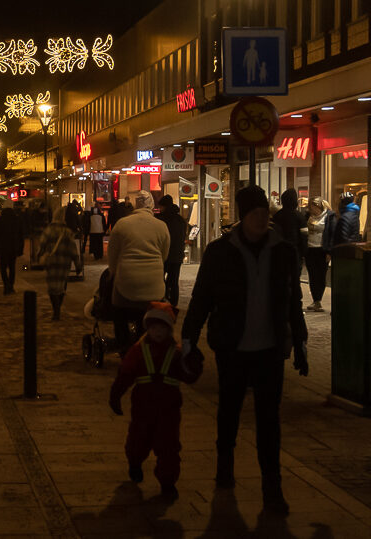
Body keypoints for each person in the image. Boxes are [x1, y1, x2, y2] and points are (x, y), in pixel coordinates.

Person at [181, 184, 309, 515]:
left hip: (269, 348)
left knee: (269, 419)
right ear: (243, 216)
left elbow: (292, 298)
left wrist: (301, 341)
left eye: (265, 212)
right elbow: (202, 297)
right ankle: (225, 467)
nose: (262, 218)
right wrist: (188, 337)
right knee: (229, 410)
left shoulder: (283, 250)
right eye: (256, 213)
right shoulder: (219, 251)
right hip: (232, 346)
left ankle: (273, 485)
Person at [109, 302, 203, 502]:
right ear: (147, 328)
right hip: (143, 407)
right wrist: (116, 394)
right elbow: (126, 373)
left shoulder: (177, 352)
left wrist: (194, 361)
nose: (158, 332)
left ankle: (168, 482)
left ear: (169, 329)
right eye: (153, 327)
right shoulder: (137, 351)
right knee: (138, 439)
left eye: (162, 328)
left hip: (169, 410)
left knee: (169, 446)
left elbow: (189, 375)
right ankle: (135, 463)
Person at [108, 190, 170, 354]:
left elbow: (112, 256)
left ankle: (123, 344)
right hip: (154, 288)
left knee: (118, 309)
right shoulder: (161, 226)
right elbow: (164, 255)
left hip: (127, 284)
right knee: (147, 312)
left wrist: (113, 272)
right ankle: (145, 344)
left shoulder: (122, 224)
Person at [37, 208, 82, 320]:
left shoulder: (49, 230)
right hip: (64, 263)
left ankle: (56, 311)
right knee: (62, 286)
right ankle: (58, 308)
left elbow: (42, 245)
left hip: (52, 262)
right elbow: (73, 250)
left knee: (52, 287)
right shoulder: (67, 232)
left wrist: (39, 256)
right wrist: (77, 264)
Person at [157, 195, 187, 306]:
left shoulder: (160, 219)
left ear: (164, 206)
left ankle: (163, 301)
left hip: (163, 255)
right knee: (174, 282)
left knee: (160, 279)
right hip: (177, 255)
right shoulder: (180, 220)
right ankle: (173, 306)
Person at [0, 198, 24, 295]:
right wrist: (20, 248)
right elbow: (20, 235)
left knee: (3, 268)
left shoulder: (0, 220)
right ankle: (11, 285)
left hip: (3, 247)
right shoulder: (16, 219)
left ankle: (6, 285)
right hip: (13, 247)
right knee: (12, 268)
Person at [304, 197, 331, 312]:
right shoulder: (308, 217)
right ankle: (315, 300)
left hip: (321, 250)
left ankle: (318, 300)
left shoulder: (328, 217)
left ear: (319, 207)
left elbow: (330, 234)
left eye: (314, 207)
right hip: (310, 249)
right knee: (312, 275)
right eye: (311, 208)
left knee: (320, 275)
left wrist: (329, 251)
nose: (312, 210)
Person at [272, 189, 307, 274]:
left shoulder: (277, 216)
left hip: (279, 253)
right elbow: (304, 236)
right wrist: (304, 253)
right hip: (295, 252)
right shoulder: (299, 216)